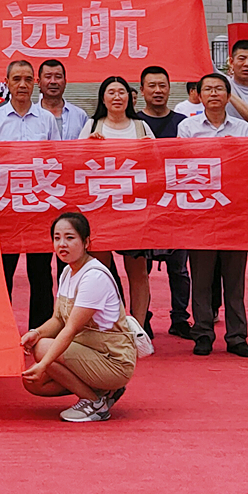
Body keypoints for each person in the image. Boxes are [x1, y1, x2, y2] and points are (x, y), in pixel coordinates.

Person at [20, 211, 135, 422]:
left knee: (43, 350)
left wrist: (43, 363)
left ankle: (94, 403)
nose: (62, 244)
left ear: (86, 242)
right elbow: (58, 319)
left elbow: (70, 328)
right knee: (34, 382)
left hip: (112, 359)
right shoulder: (67, 272)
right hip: (87, 351)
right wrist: (36, 333)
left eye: (70, 237)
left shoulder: (93, 276)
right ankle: (104, 393)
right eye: (57, 238)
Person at [178, 73, 248, 358]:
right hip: (200, 212)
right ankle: (202, 332)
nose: (214, 93)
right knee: (201, 278)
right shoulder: (187, 127)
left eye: (219, 89)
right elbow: (182, 164)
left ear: (228, 95)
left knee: (234, 279)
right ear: (198, 95)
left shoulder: (242, 128)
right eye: (208, 89)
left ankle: (237, 336)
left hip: (234, 212)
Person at [0, 59, 59, 326]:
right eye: (16, 79)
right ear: (7, 83)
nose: (22, 85)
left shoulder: (47, 119)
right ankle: (0, 329)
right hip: (5, 207)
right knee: (3, 271)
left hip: (38, 206)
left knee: (41, 273)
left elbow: (56, 161)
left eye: (28, 79)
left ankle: (41, 332)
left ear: (35, 83)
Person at [82, 75, 157, 334]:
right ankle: (107, 328)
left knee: (138, 273)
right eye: (111, 92)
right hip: (101, 210)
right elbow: (77, 163)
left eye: (122, 92)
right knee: (101, 272)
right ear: (102, 98)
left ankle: (139, 329)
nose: (117, 97)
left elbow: (158, 165)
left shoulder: (141, 127)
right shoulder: (92, 125)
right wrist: (88, 147)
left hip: (134, 210)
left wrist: (150, 149)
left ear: (130, 97)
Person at [134, 65, 193, 339]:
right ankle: (142, 318)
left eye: (162, 85)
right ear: (142, 90)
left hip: (176, 203)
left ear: (170, 88)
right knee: (140, 268)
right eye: (152, 86)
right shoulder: (133, 122)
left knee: (179, 268)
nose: (158, 91)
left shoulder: (184, 123)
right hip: (142, 205)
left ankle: (180, 318)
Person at [36, 59, 88, 140]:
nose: (53, 82)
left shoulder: (80, 115)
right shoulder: (31, 116)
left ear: (65, 82)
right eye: (48, 77)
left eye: (58, 77)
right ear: (39, 82)